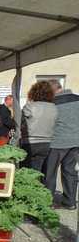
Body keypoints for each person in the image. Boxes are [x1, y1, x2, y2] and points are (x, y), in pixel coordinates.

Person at [45, 79, 79, 209]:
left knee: (50, 173)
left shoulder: (51, 103)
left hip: (56, 143)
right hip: (76, 142)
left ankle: (48, 202)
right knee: (70, 171)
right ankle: (70, 202)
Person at [21, 80, 57, 173]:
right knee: (40, 171)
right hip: (47, 143)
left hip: (30, 142)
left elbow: (21, 123)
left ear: (33, 92)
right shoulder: (54, 107)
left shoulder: (29, 106)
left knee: (26, 172)